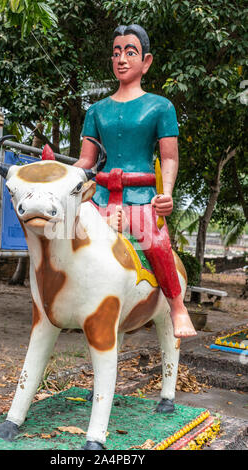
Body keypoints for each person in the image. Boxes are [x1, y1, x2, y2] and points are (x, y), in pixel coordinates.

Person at [74, 24, 196, 338]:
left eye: (130, 52)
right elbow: (86, 161)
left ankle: (177, 306)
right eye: (116, 53)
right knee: (68, 235)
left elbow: (169, 158)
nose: (122, 59)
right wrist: (64, 180)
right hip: (101, 196)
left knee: (156, 242)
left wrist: (165, 193)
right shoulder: (96, 110)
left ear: (147, 61)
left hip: (141, 197)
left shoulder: (161, 107)